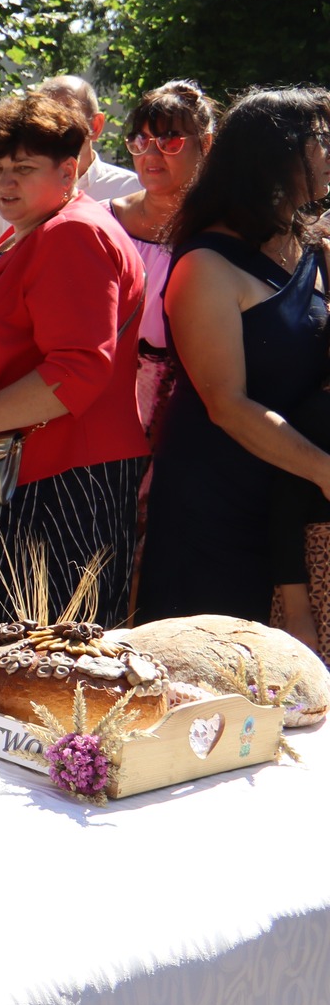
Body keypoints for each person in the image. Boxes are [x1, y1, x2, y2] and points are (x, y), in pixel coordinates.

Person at [0, 91, 148, 628]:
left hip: (54, 481)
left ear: (69, 170)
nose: (5, 182)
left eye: (23, 168)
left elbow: (78, 369)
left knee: (35, 667)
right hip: (12, 474)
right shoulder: (36, 228)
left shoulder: (72, 233)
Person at [139, 88, 330, 633]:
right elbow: (227, 404)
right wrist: (325, 472)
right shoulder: (206, 264)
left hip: (290, 512)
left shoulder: (312, 250)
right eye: (323, 143)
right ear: (278, 154)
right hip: (215, 514)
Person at [108, 81, 220, 432]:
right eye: (140, 141)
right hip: (98, 415)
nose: (151, 155)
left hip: (190, 424)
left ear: (205, 145)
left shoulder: (226, 236)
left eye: (169, 140)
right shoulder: (98, 224)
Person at [0, 74, 143, 258]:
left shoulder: (132, 191)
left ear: (95, 126)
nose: (53, 128)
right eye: (41, 120)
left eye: (67, 115)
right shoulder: (6, 196)